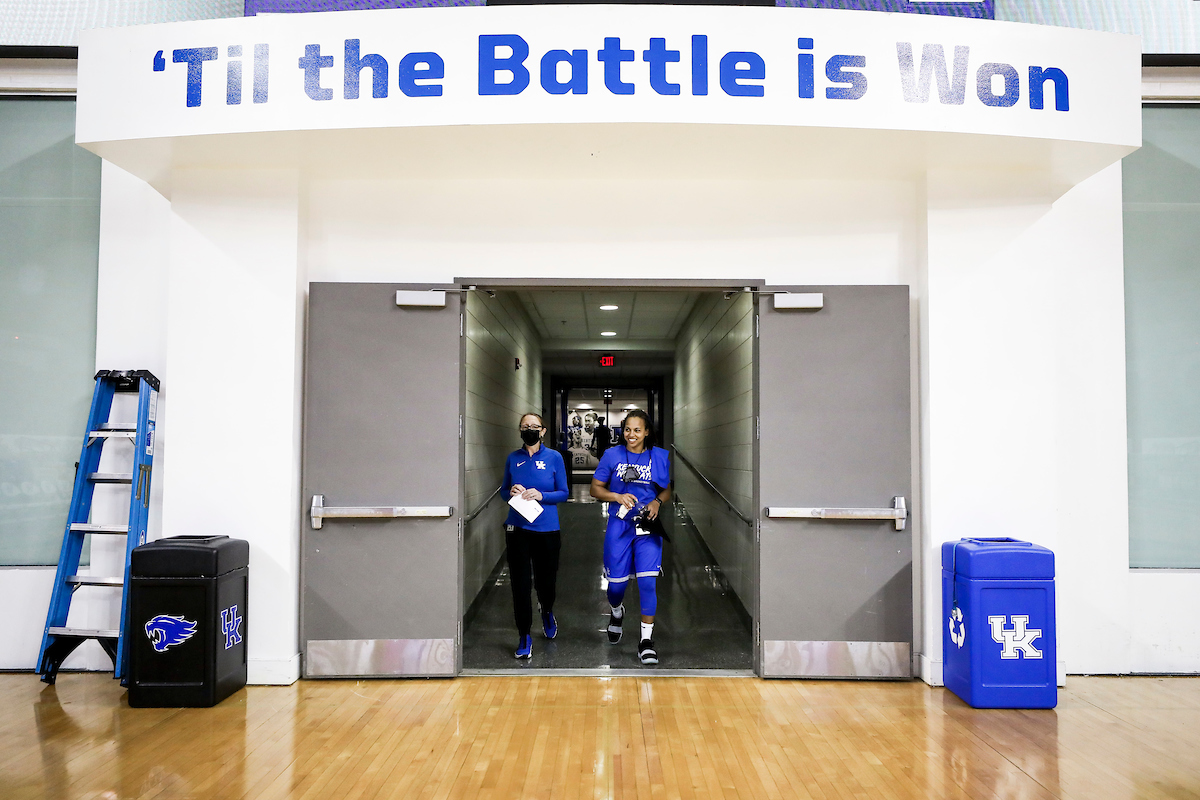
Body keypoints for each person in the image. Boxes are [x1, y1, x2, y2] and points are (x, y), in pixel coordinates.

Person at [589, 409, 671, 665]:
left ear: (647, 432)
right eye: (627, 429)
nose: (631, 434)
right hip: (619, 526)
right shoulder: (612, 455)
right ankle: (616, 611)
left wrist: (657, 502)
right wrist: (617, 496)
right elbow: (595, 489)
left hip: (648, 527)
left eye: (637, 430)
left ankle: (646, 641)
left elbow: (667, 490)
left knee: (647, 583)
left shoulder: (658, 456)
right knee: (616, 587)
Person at [502, 413, 569, 659]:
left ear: (543, 431)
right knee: (520, 584)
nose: (529, 429)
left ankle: (547, 610)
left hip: (547, 530)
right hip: (517, 528)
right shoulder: (513, 458)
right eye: (525, 426)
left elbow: (563, 492)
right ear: (520, 430)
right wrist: (510, 491)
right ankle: (524, 635)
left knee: (546, 581)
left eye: (534, 426)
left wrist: (542, 495)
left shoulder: (554, 458)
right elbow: (503, 492)